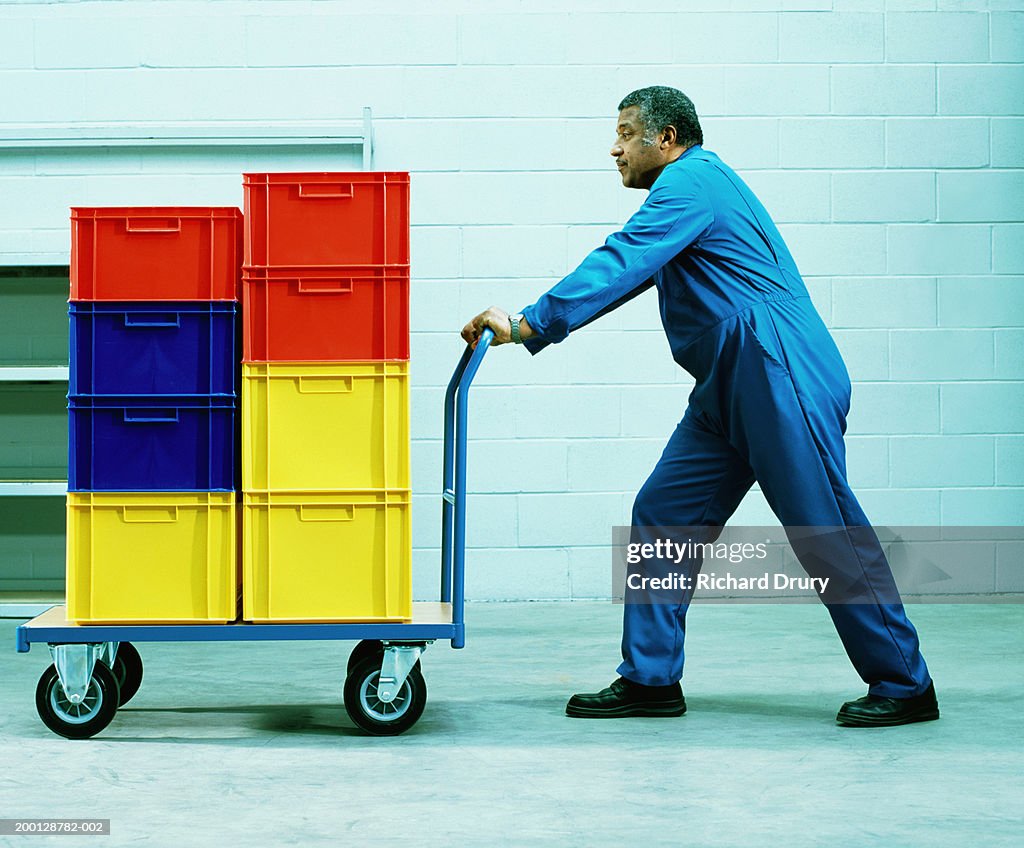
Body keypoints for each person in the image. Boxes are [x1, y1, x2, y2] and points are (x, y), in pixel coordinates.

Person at [461, 86, 938, 727]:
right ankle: (651, 680)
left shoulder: (692, 180)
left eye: (625, 132)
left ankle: (905, 684)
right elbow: (632, 273)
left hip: (777, 371)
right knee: (662, 512)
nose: (615, 146)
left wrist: (528, 324)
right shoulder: (687, 192)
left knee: (824, 529)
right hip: (727, 383)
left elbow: (622, 260)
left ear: (665, 139)